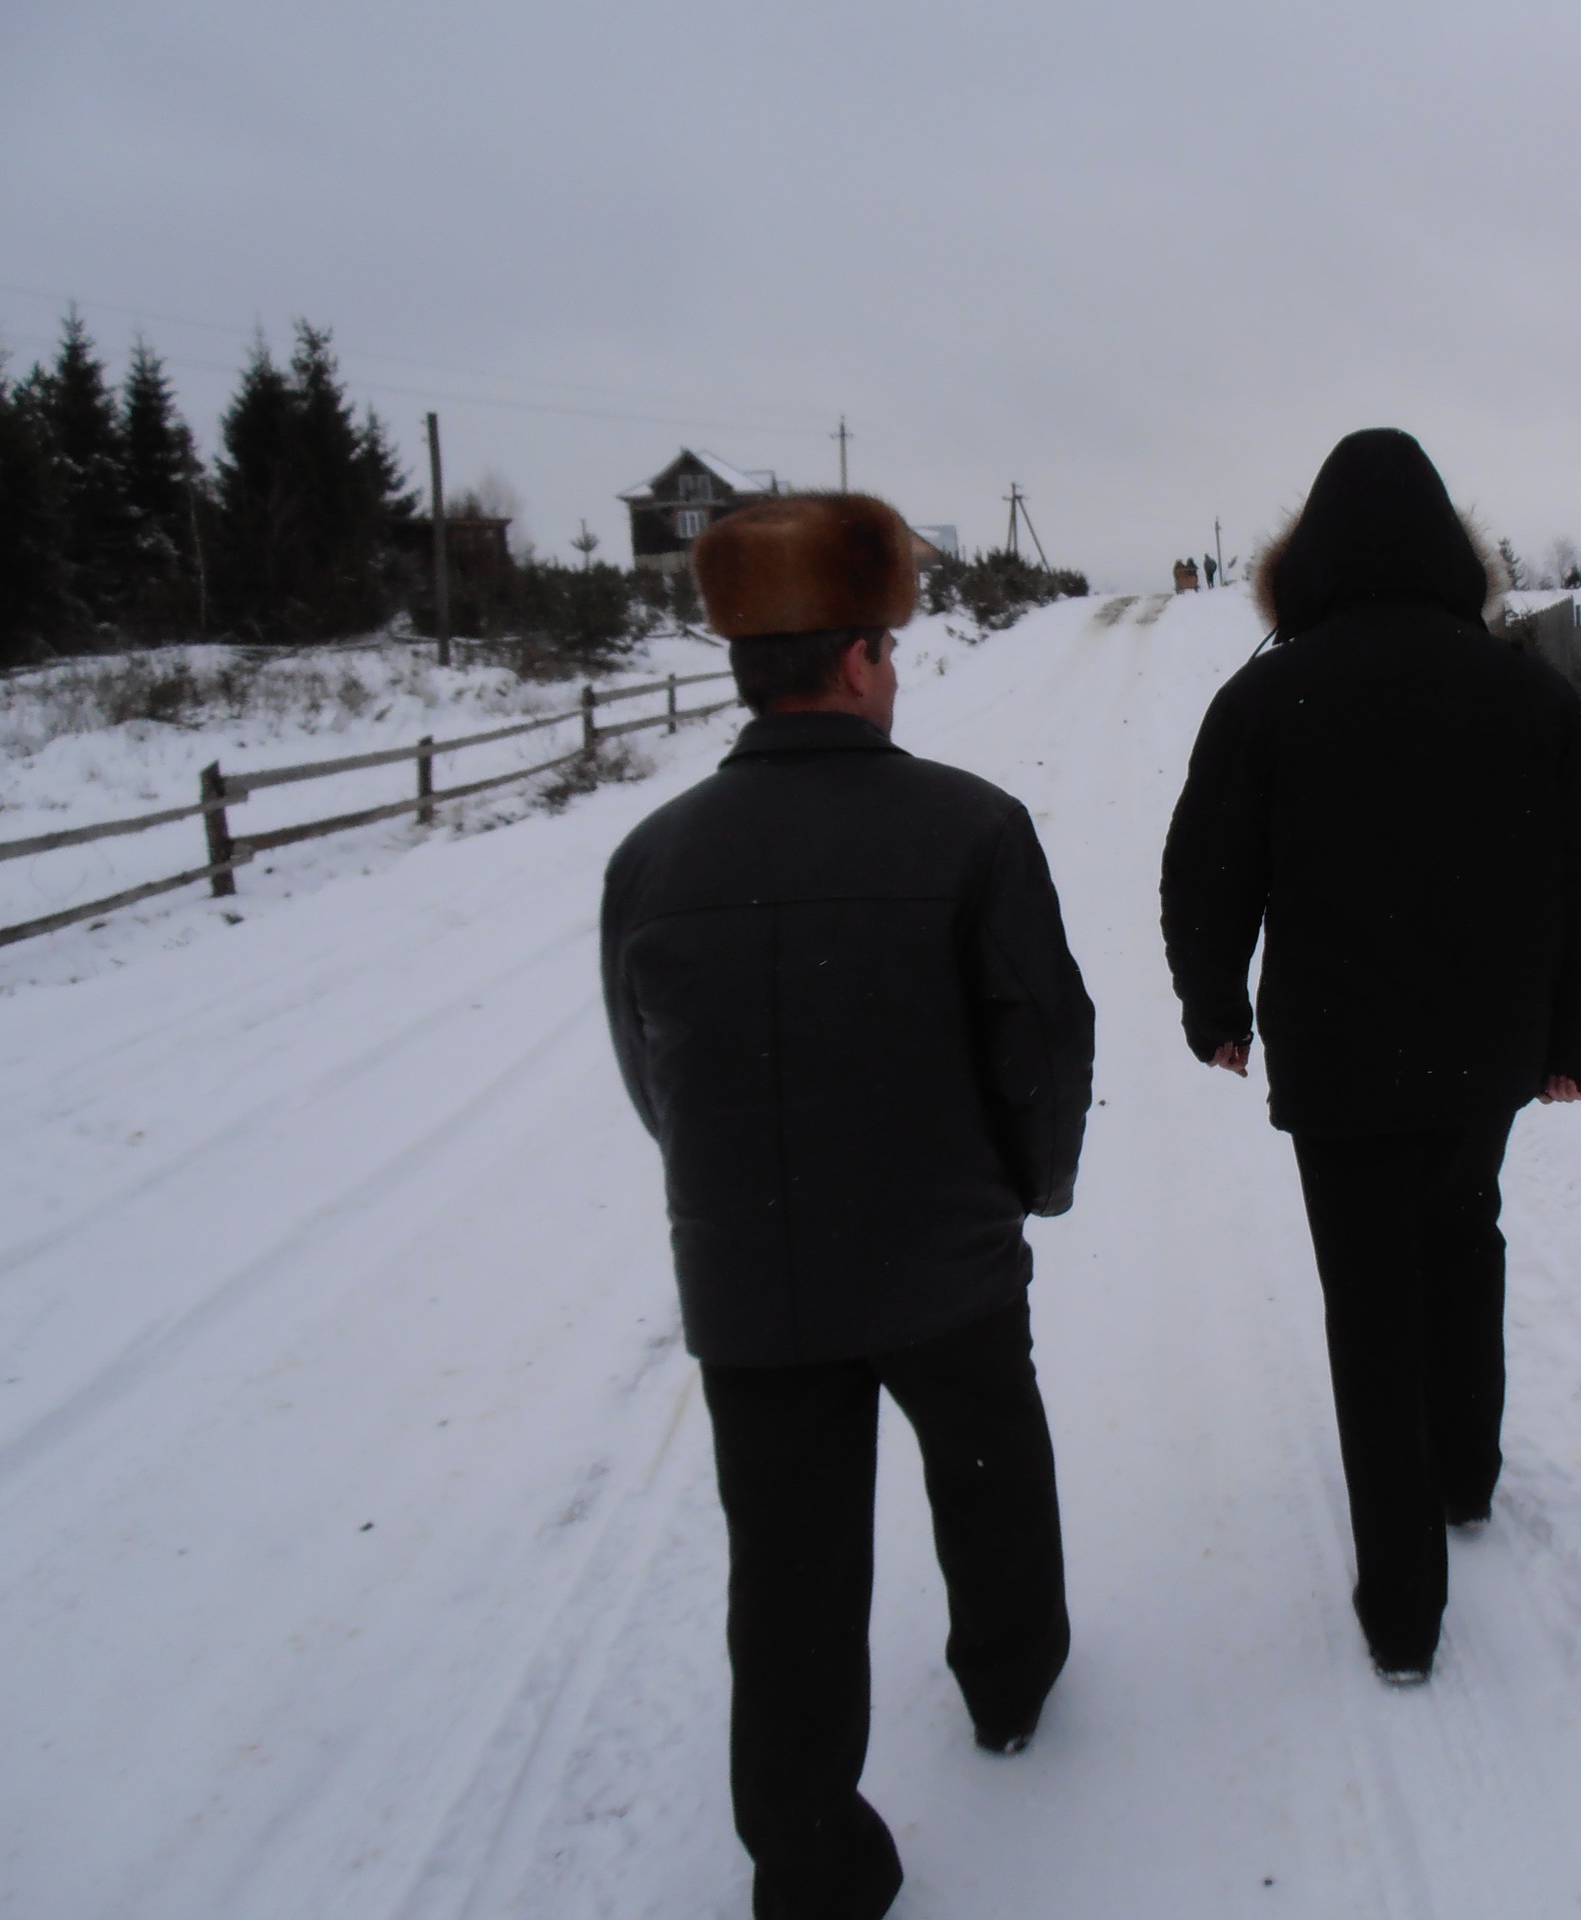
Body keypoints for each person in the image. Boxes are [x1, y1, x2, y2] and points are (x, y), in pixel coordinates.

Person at [600, 493, 1095, 1920]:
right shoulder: (971, 827)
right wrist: (1031, 1182)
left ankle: (809, 1858)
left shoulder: (653, 858)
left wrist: (736, 1194)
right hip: (944, 1253)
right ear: (863, 656)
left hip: (752, 1278)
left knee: (788, 1569)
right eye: (889, 645)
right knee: (990, 1474)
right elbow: (1042, 1038)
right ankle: (1010, 1682)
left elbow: (652, 1072)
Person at [1159, 429, 1581, 1683]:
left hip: (1342, 1061)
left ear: (1306, 560)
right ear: (1449, 555)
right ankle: (1465, 1475)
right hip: (1488, 1052)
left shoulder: (1268, 696)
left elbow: (1206, 873)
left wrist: (1214, 1006)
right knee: (1463, 1240)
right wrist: (1575, 1039)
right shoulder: (1526, 693)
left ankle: (1403, 1614)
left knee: (1370, 1304)